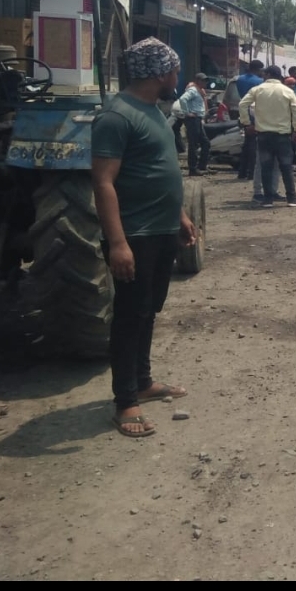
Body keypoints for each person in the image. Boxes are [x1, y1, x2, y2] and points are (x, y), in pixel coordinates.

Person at [90, 37, 197, 438]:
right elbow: (103, 182)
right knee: (130, 316)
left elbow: (159, 170)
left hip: (162, 229)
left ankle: (144, 380)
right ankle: (125, 402)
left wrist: (181, 215)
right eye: (173, 70)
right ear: (156, 73)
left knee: (148, 310)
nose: (176, 76)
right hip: (135, 234)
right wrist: (118, 243)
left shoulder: (153, 110)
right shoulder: (116, 117)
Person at [238, 65, 296, 208]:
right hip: (283, 135)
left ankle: (268, 199)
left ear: (268, 74)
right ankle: (291, 199)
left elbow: (242, 104)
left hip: (263, 135)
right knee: (286, 167)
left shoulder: (258, 90)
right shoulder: (287, 91)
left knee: (266, 167)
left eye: (264, 74)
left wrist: (246, 124)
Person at [177, 72, 211, 176]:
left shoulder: (200, 91)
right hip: (193, 120)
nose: (205, 82)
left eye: (206, 80)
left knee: (205, 143)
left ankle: (201, 166)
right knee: (193, 144)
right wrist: (187, 113)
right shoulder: (193, 90)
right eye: (203, 80)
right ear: (198, 81)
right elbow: (183, 99)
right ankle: (193, 168)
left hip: (198, 119)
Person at [236, 60, 264, 180]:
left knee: (247, 143)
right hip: (254, 110)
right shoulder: (259, 82)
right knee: (254, 144)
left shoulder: (239, 79)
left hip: (243, 109)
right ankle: (251, 172)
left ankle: (242, 172)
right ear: (258, 69)